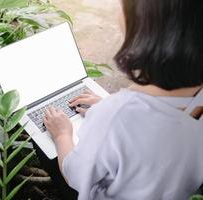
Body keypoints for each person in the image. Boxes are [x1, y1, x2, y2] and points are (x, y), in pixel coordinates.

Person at [43, 0, 203, 199]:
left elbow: (74, 175)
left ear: (144, 25)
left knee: (47, 148)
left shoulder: (116, 115)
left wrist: (62, 136)